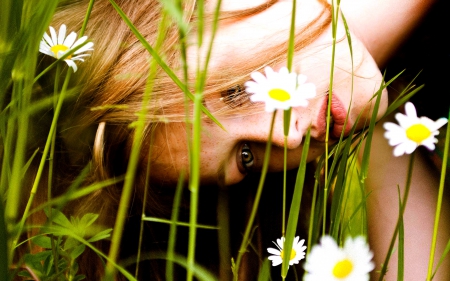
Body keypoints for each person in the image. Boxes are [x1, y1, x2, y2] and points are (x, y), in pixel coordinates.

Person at [9, 0, 449, 280]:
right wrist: (377, 128)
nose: (287, 136)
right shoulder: (388, 86)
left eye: (234, 91)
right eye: (246, 157)